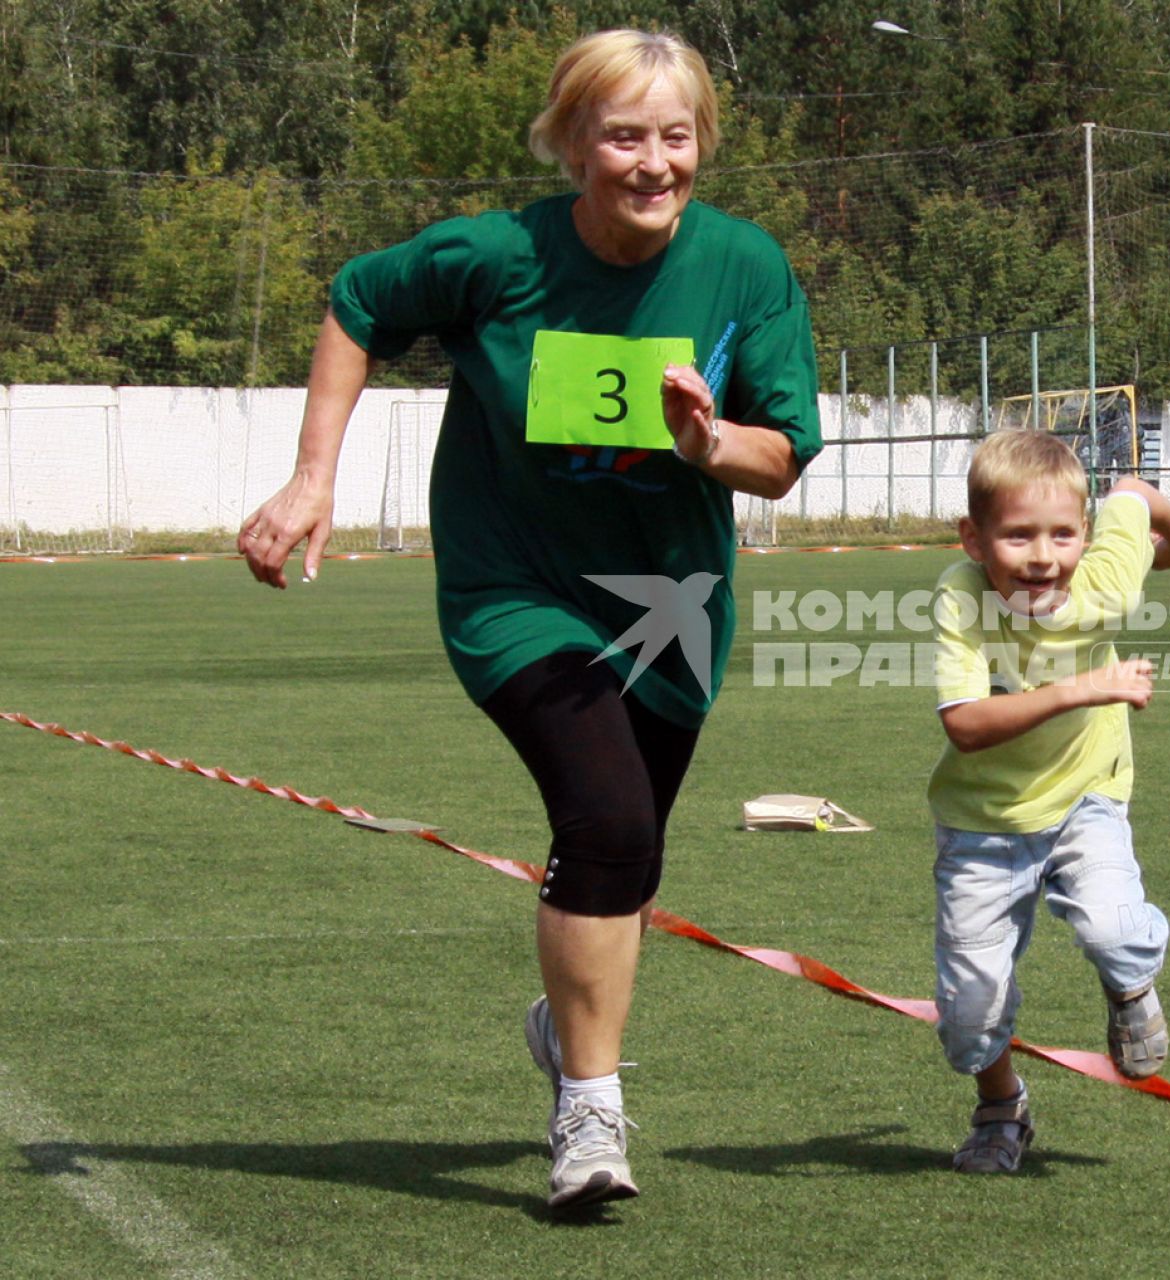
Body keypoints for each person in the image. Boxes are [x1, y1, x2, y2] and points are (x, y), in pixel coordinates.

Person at [237, 29, 821, 1210]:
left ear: (702, 141)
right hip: (516, 589)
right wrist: (311, 474)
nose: (653, 163)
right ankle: (591, 1116)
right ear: (571, 143)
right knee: (603, 823)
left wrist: (707, 442)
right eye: (623, 136)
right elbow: (359, 300)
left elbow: (782, 458)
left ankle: (564, 1030)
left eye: (676, 136)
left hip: (670, 605)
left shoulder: (747, 269)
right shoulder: (496, 256)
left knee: (631, 851)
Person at [925, 431, 1170, 1174]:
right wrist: (1082, 687)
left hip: (1086, 795)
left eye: (1062, 535)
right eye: (1017, 535)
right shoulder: (960, 595)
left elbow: (1134, 498)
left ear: (1085, 534)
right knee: (969, 1016)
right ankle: (1002, 1103)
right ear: (974, 539)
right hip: (983, 821)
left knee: (1115, 930)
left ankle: (1130, 985)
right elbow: (965, 725)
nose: (1043, 556)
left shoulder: (1104, 578)